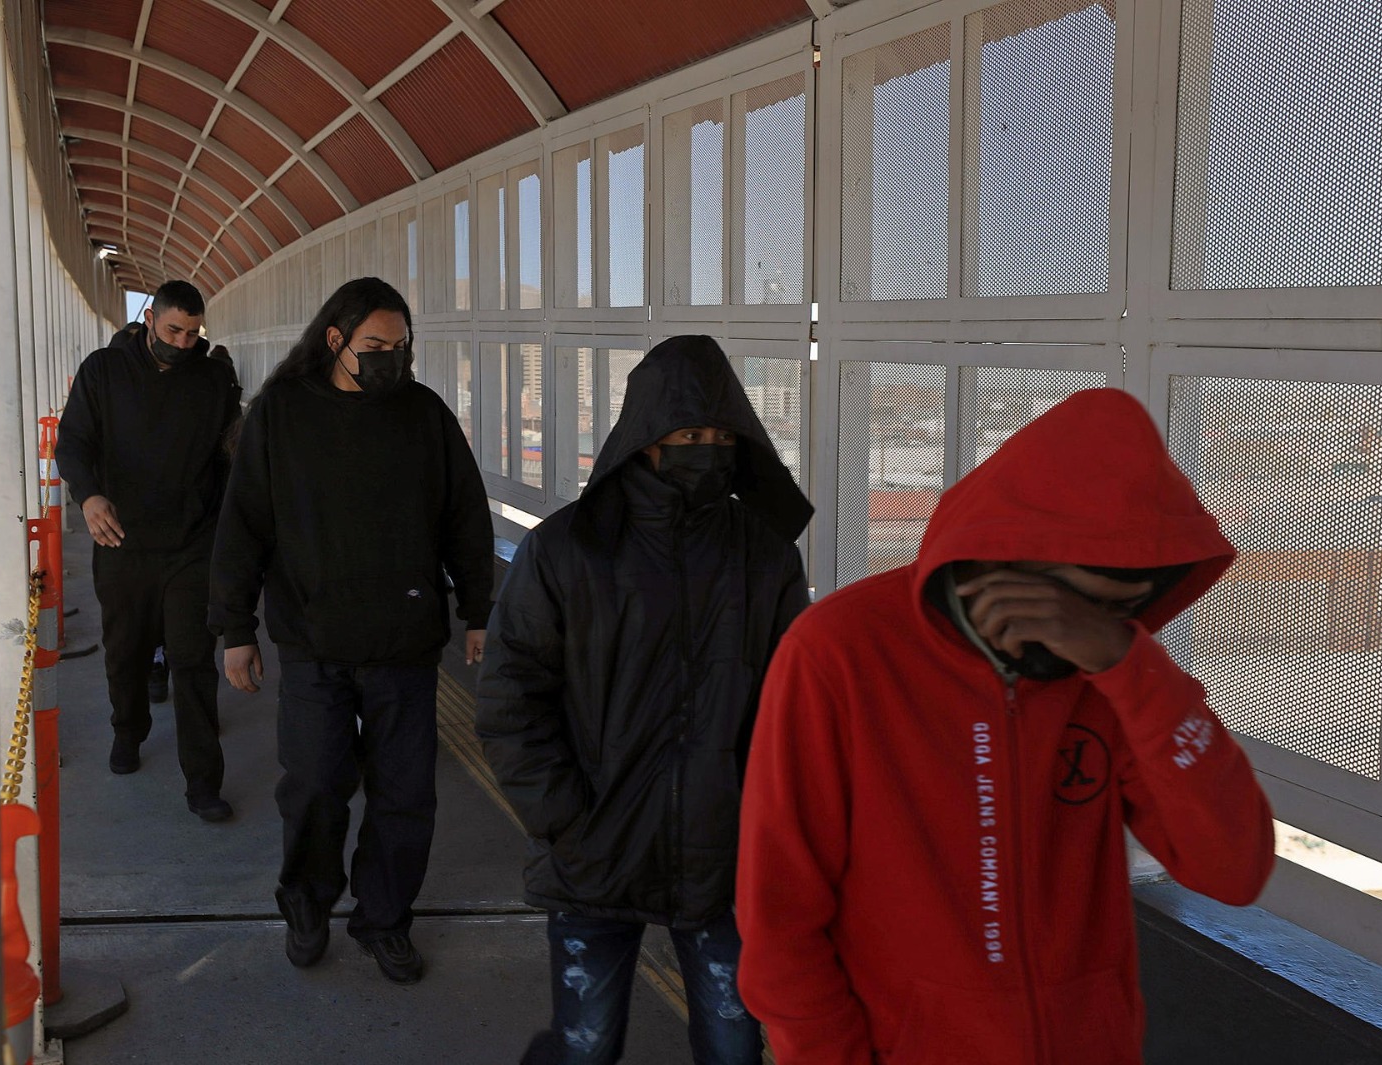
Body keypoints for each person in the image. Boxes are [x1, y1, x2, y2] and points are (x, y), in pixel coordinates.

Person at [734, 388, 1275, 1065]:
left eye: (1121, 613)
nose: (1083, 631)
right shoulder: (842, 652)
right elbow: (780, 911)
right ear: (1005, 557)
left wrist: (1130, 666)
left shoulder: (1109, 668)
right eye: (1078, 604)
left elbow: (1233, 870)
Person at [476, 335, 814, 1065]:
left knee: (734, 1048)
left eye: (721, 436)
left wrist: (766, 826)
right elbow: (511, 695)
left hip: (722, 857)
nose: (707, 451)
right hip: (594, 851)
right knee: (585, 1045)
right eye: (688, 436)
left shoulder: (765, 557)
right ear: (645, 437)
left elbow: (797, 710)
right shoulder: (568, 549)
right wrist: (563, 818)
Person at [209, 277, 494, 984]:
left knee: (406, 795)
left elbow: (464, 513)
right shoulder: (281, 413)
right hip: (313, 642)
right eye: (375, 345)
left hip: (405, 642)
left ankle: (385, 919)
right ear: (335, 339)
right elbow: (244, 525)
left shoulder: (423, 414)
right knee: (312, 785)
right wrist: (236, 628)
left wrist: (479, 609)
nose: (390, 358)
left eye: (400, 346)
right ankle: (307, 904)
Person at [56, 280, 240, 823]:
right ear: (149, 320)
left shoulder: (213, 380)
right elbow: (73, 441)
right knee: (125, 651)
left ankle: (203, 782)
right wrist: (89, 495)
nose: (182, 343)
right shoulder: (104, 371)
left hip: (191, 544)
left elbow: (230, 458)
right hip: (122, 540)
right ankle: (128, 731)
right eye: (173, 330)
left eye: (192, 333)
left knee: (193, 661)